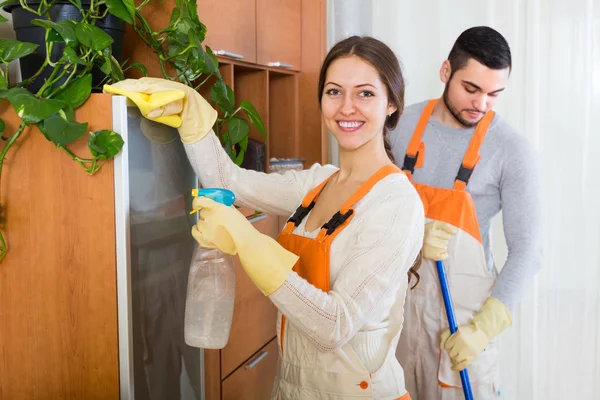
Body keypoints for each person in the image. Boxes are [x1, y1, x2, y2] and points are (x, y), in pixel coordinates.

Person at [105, 35, 424, 399]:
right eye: (334, 92)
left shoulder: (397, 203)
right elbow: (230, 182)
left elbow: (334, 325)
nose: (347, 107)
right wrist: (191, 117)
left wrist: (250, 243)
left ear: (392, 105)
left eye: (365, 93)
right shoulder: (318, 183)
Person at [392, 26, 543, 399]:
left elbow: (527, 250)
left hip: (461, 324)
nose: (481, 104)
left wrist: (484, 328)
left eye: (494, 93)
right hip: (397, 316)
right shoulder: (398, 125)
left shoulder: (512, 151)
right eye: (471, 89)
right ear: (446, 72)